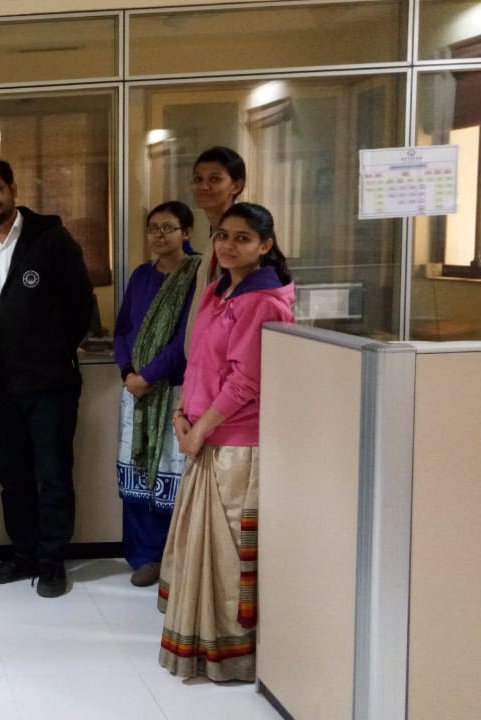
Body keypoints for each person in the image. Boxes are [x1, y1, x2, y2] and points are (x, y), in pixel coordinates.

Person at [158, 202, 295, 682]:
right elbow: (199, 360)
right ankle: (201, 645)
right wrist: (182, 412)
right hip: (205, 434)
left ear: (265, 245)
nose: (229, 246)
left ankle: (233, 657)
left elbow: (245, 382)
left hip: (236, 444)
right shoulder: (219, 290)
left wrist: (199, 429)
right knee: (201, 552)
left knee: (227, 556)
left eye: (242, 238)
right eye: (222, 236)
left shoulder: (263, 301)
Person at [0, 158, 94, 598]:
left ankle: (52, 562)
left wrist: (52, 351)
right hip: (2, 384)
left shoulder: (50, 239)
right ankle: (24, 554)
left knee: (53, 475)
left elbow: (82, 305)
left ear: (13, 190)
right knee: (12, 476)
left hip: (51, 384)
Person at [113, 202, 200, 587]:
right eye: (153, 228)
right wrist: (128, 372)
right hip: (136, 391)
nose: (159, 235)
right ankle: (143, 556)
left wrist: (149, 375)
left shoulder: (197, 276)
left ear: (187, 232)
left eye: (168, 227)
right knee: (136, 470)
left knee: (171, 471)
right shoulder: (141, 275)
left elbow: (187, 338)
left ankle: (173, 558)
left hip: (176, 390)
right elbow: (122, 329)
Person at [185, 146, 247, 349]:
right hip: (204, 356)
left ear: (236, 186)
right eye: (198, 179)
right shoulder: (215, 236)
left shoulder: (240, 241)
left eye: (214, 179)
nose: (204, 186)